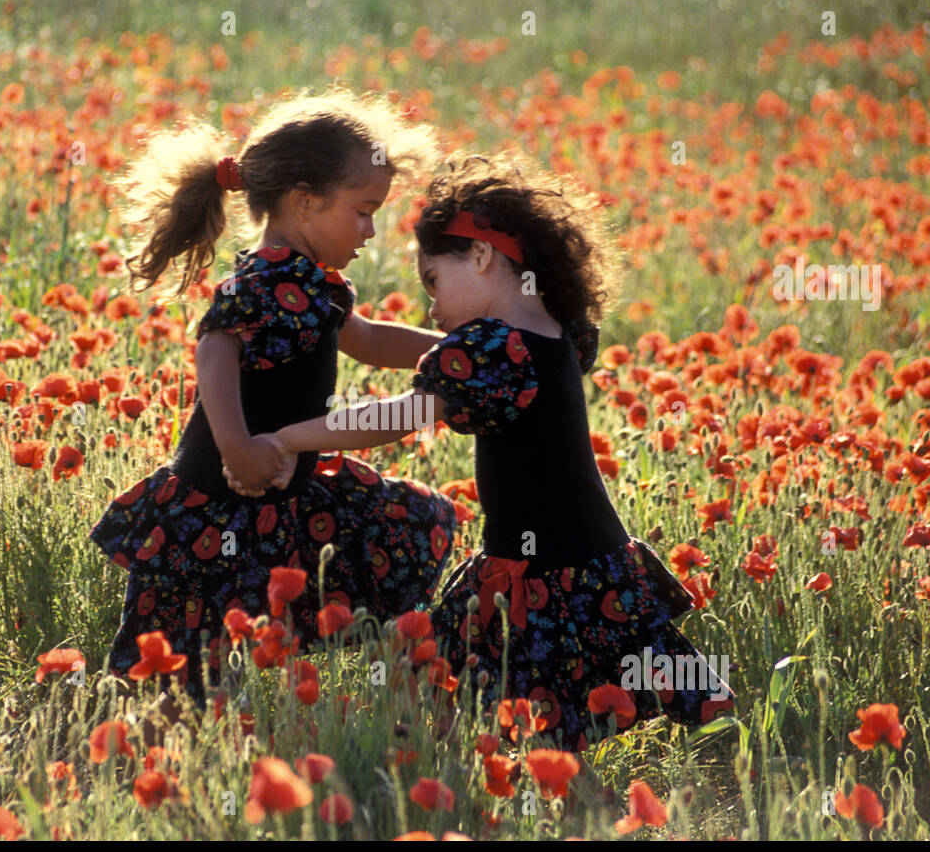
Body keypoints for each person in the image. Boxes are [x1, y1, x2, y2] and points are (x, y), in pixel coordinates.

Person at [234, 152, 738, 752]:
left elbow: (402, 415)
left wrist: (289, 437)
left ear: (478, 256)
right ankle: (443, 777)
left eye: (432, 282)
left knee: (516, 715)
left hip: (550, 577)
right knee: (453, 687)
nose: (431, 307)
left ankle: (527, 799)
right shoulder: (555, 333)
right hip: (572, 565)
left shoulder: (494, 349)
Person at [89, 88, 459, 711]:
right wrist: (237, 446)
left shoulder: (315, 283)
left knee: (407, 525)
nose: (371, 229)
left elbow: (367, 339)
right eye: (364, 211)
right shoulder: (265, 277)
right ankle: (145, 751)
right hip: (218, 497)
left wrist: (459, 347)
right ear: (305, 202)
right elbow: (214, 346)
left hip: (281, 488)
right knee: (184, 673)